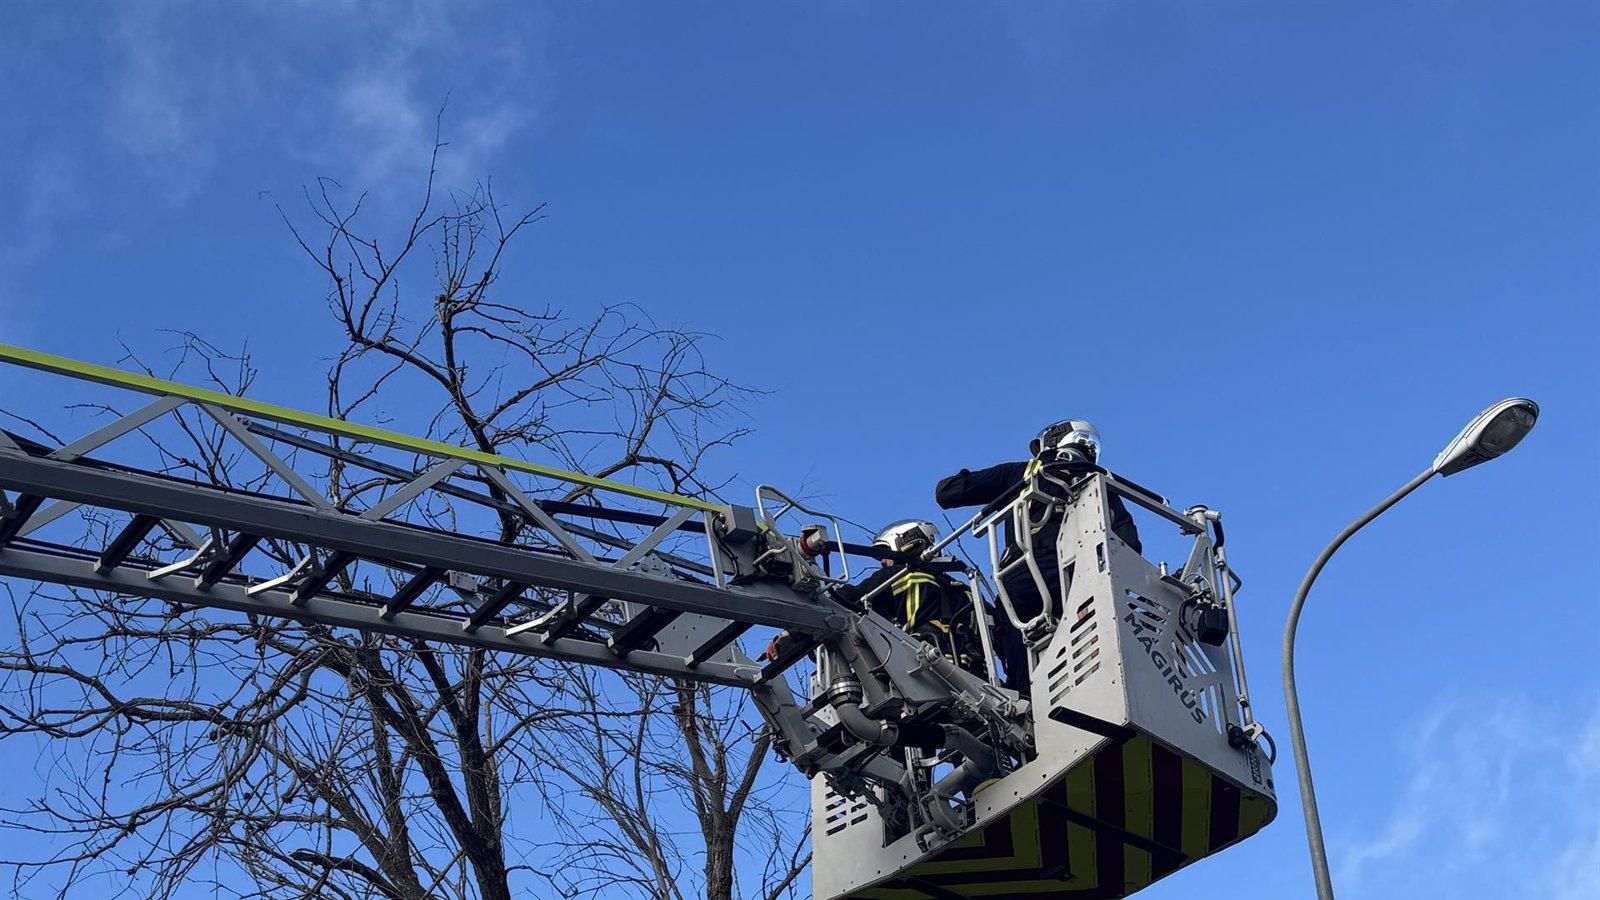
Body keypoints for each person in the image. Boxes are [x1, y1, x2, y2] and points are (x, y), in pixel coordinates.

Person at [933, 419, 1141, 694]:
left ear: (1052, 440)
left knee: (1012, 632)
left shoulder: (1021, 473)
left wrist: (981, 482)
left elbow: (947, 492)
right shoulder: (1102, 484)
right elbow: (1130, 545)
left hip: (1023, 575)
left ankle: (1026, 696)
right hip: (1082, 576)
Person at [833, 520, 987, 678]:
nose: (883, 561)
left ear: (909, 544)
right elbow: (1000, 634)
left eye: (886, 553)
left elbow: (848, 599)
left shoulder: (898, 575)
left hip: (925, 669)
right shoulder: (968, 591)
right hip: (977, 677)